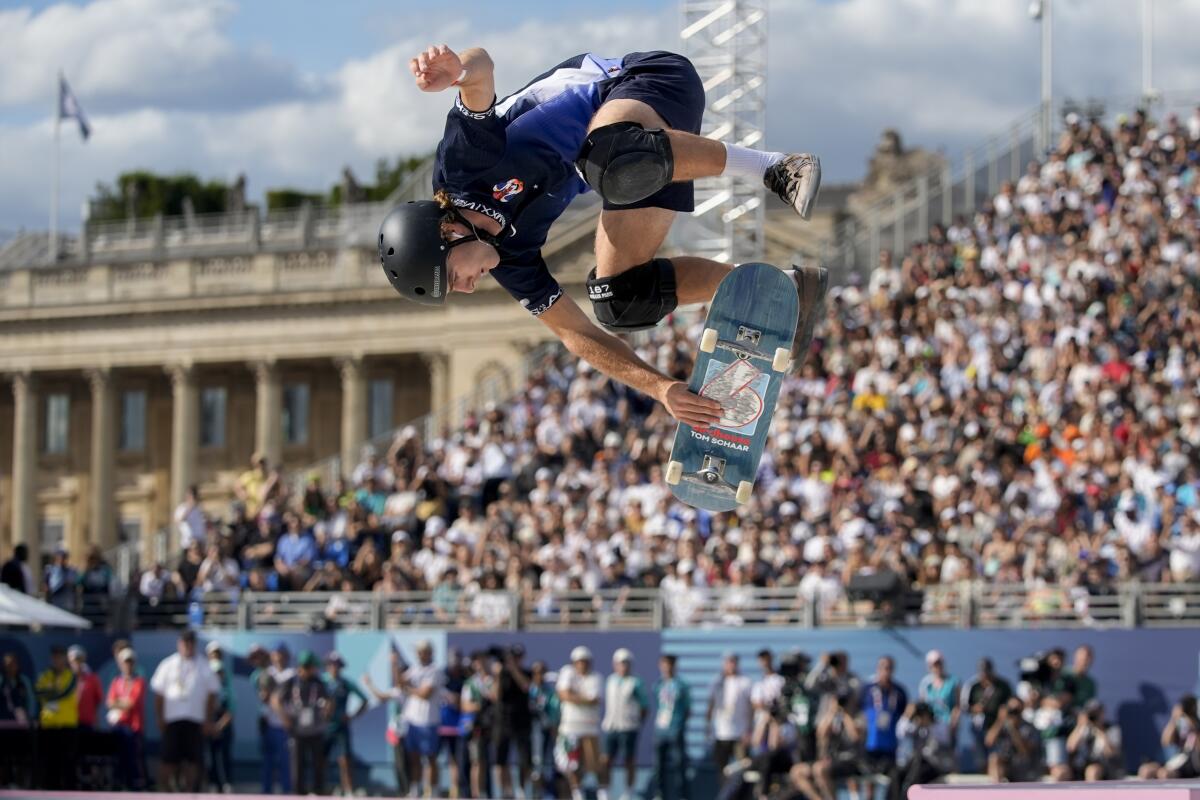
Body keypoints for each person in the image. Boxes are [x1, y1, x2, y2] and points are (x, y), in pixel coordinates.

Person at [382, 45, 827, 432]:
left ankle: (774, 166)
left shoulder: (462, 168)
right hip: (636, 167)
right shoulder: (512, 258)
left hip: (645, 84)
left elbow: (481, 72)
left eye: (453, 277)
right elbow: (577, 335)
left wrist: (456, 68)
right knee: (619, 299)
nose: (466, 287)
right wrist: (662, 388)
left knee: (607, 160)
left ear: (450, 232)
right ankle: (781, 289)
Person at [149, 630, 219, 792]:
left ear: (194, 644)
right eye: (184, 642)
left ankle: (190, 794)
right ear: (178, 643)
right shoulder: (167, 664)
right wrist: (159, 718)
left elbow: (212, 694)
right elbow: (159, 695)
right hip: (172, 720)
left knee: (193, 761)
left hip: (195, 720)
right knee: (168, 760)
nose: (187, 645)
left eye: (190, 642)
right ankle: (166, 794)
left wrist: (208, 720)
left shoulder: (204, 665)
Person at [273, 650, 332, 795]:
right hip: (297, 730)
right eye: (313, 667)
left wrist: (326, 713)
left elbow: (330, 700)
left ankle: (319, 792)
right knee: (297, 765)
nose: (315, 670)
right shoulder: (292, 682)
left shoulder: (318, 682)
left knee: (318, 764)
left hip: (315, 729)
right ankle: (299, 793)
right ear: (305, 667)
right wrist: (284, 718)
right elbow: (275, 700)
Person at [557, 646, 605, 800]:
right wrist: (583, 698)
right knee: (572, 765)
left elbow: (594, 700)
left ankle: (603, 793)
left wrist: (574, 695)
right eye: (579, 661)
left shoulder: (596, 677)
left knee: (595, 765)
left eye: (585, 661)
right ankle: (577, 794)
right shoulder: (567, 672)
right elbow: (564, 695)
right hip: (569, 728)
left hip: (590, 728)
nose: (582, 665)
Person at [602, 648, 648, 800]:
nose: (623, 667)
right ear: (615, 664)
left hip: (628, 728)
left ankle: (629, 791)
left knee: (629, 760)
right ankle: (605, 790)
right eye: (620, 663)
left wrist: (635, 722)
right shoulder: (610, 680)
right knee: (606, 760)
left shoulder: (636, 682)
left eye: (626, 663)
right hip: (611, 726)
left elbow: (644, 707)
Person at [400, 639, 444, 798]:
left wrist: (409, 689)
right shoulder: (414, 668)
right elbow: (400, 683)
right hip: (413, 720)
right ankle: (415, 791)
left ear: (430, 652)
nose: (420, 654)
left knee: (431, 758)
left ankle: (433, 792)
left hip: (428, 720)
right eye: (418, 651)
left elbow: (425, 694)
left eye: (423, 651)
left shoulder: (435, 670)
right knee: (414, 757)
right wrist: (394, 666)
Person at [324, 651, 369, 797]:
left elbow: (364, 700)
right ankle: (321, 789)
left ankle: (349, 790)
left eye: (337, 665)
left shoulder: (345, 683)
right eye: (331, 664)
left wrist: (352, 716)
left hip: (341, 727)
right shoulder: (321, 682)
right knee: (320, 759)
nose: (334, 668)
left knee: (344, 760)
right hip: (324, 727)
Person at [493, 644, 534, 799]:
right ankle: (503, 792)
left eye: (517, 657)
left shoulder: (526, 672)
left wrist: (513, 669)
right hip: (503, 721)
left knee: (525, 759)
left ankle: (522, 790)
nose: (515, 660)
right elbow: (495, 696)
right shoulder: (501, 674)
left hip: (522, 722)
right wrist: (498, 675)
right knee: (500, 759)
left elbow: (526, 686)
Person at [35, 644, 79, 790]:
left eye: (60, 657)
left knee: (67, 762)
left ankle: (69, 792)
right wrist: (52, 693)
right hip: (48, 725)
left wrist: (50, 694)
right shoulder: (45, 675)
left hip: (66, 725)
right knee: (48, 762)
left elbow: (64, 693)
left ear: (65, 659)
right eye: (54, 657)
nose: (56, 660)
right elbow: (38, 693)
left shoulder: (71, 675)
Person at [889, 703, 954, 800]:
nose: (918, 720)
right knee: (895, 774)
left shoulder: (940, 727)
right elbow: (901, 731)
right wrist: (907, 715)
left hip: (935, 765)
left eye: (920, 716)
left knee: (913, 778)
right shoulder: (918, 728)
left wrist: (928, 724)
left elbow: (944, 739)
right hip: (917, 764)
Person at [649, 653, 690, 800]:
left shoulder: (681, 685)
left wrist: (679, 725)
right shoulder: (658, 684)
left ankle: (681, 795)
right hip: (660, 730)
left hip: (675, 729)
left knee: (679, 764)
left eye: (670, 664)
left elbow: (687, 709)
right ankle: (660, 794)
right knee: (658, 766)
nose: (667, 668)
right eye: (664, 664)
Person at [708, 651, 753, 784]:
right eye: (728, 662)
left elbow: (752, 709)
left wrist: (749, 731)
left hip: (740, 733)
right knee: (722, 771)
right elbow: (711, 705)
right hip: (721, 733)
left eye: (733, 661)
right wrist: (709, 727)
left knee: (743, 769)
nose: (730, 665)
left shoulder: (745, 682)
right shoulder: (717, 683)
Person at [106, 647, 146, 791]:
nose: (128, 665)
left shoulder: (139, 681)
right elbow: (109, 702)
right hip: (118, 727)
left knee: (133, 761)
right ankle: (118, 786)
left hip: (133, 728)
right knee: (118, 761)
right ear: (120, 664)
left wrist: (119, 702)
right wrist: (122, 702)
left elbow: (131, 703)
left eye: (130, 662)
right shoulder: (116, 681)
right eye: (125, 662)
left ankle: (134, 789)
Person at [962, 658, 1012, 771]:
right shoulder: (973, 685)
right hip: (978, 728)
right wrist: (974, 709)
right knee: (981, 762)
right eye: (983, 672)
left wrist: (995, 730)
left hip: (998, 728)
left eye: (987, 672)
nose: (985, 676)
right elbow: (965, 706)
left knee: (996, 758)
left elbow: (1006, 709)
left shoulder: (1003, 686)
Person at [259, 643, 295, 794]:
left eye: (281, 654)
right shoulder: (267, 673)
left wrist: (284, 716)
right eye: (275, 654)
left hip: (284, 724)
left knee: (285, 762)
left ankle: (287, 792)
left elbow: (281, 699)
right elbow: (264, 697)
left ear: (286, 656)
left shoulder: (291, 674)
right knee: (268, 762)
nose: (278, 657)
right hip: (269, 723)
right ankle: (266, 792)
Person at [812, 691, 862, 800]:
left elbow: (855, 737)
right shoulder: (833, 718)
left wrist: (845, 714)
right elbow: (821, 733)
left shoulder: (857, 715)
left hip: (852, 761)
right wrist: (832, 712)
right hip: (834, 760)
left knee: (819, 769)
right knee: (802, 771)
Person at [1141, 695, 1200, 779]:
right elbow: (1166, 742)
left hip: (1192, 766)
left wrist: (1194, 726)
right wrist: (1174, 718)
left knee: (1165, 774)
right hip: (1178, 760)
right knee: (1146, 771)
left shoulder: (1196, 726)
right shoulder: (1181, 724)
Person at [462, 650, 495, 798]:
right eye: (478, 661)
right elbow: (465, 705)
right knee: (477, 761)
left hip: (494, 725)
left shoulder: (493, 680)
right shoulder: (471, 683)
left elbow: (496, 697)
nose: (481, 664)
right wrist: (481, 704)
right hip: (478, 726)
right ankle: (477, 794)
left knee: (495, 761)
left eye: (484, 660)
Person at [0, 651, 36, 788]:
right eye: (7, 664)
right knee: (3, 757)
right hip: (3, 727)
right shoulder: (1, 681)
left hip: (21, 728)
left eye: (13, 664)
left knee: (21, 757)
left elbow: (31, 700)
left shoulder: (24, 681)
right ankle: (5, 783)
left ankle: (21, 784)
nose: (10, 667)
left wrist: (31, 717)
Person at [984, 698, 1040, 783]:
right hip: (1007, 764)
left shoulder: (1029, 727)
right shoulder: (1002, 725)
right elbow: (989, 741)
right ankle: (996, 789)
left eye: (1016, 709)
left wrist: (1013, 729)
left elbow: (1024, 751)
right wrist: (1000, 720)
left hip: (1024, 767)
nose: (1014, 712)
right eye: (1011, 709)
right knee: (994, 759)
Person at [529, 660, 563, 800]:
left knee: (553, 762)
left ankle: (553, 794)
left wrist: (554, 726)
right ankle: (536, 794)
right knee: (537, 764)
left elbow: (554, 711)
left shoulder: (550, 691)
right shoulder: (529, 689)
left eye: (542, 672)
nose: (539, 676)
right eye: (536, 673)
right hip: (533, 732)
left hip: (549, 730)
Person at [1065, 700, 1122, 781]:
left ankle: (1091, 794)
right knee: (1061, 771)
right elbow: (1070, 747)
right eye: (1091, 714)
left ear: (1103, 713)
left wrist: (1099, 730)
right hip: (1081, 765)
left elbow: (1110, 753)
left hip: (1104, 766)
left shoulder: (1111, 729)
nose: (1094, 717)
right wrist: (1079, 726)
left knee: (1092, 771)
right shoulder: (1082, 729)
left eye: (1096, 714)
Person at [205, 643, 235, 793]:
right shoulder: (204, 685)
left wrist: (219, 726)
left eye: (219, 672)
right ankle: (213, 782)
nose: (217, 674)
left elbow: (231, 709)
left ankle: (227, 783)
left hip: (223, 726)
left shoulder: (227, 685)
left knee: (224, 756)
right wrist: (211, 725)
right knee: (210, 756)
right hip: (209, 726)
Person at [916, 650, 960, 746]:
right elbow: (922, 704)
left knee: (944, 755)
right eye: (935, 664)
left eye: (939, 663)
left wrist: (953, 724)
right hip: (930, 725)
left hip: (947, 724)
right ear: (929, 666)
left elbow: (957, 706)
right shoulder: (925, 683)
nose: (938, 667)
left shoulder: (953, 682)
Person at [68, 645, 103, 730]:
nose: (77, 663)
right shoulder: (66, 679)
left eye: (79, 659)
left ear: (84, 660)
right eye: (74, 660)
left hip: (87, 722)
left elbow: (98, 699)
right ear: (69, 661)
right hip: (69, 722)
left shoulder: (93, 678)